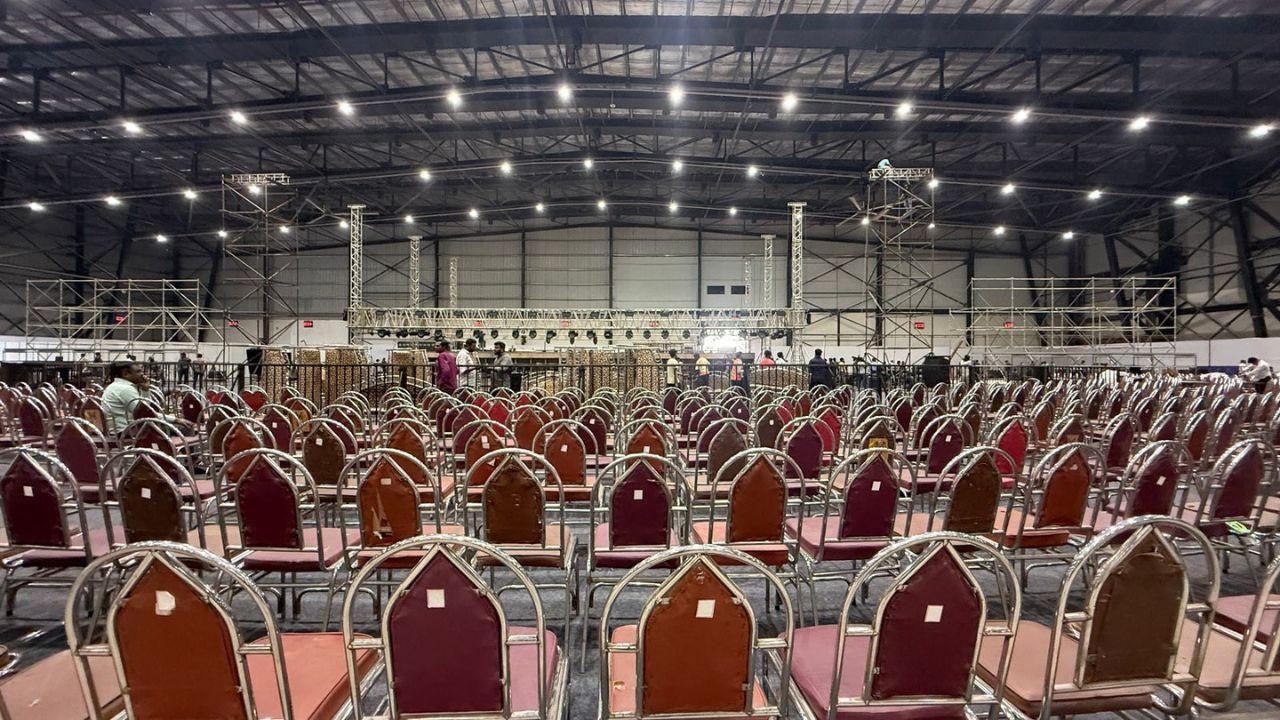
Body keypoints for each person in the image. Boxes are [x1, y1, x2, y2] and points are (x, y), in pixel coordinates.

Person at [101, 362, 193, 434]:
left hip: (124, 429)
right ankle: (187, 457)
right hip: (127, 431)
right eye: (138, 371)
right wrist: (176, 419)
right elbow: (146, 414)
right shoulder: (125, 389)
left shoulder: (116, 386)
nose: (143, 374)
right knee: (185, 428)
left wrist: (145, 390)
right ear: (126, 374)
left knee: (170, 425)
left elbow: (145, 411)